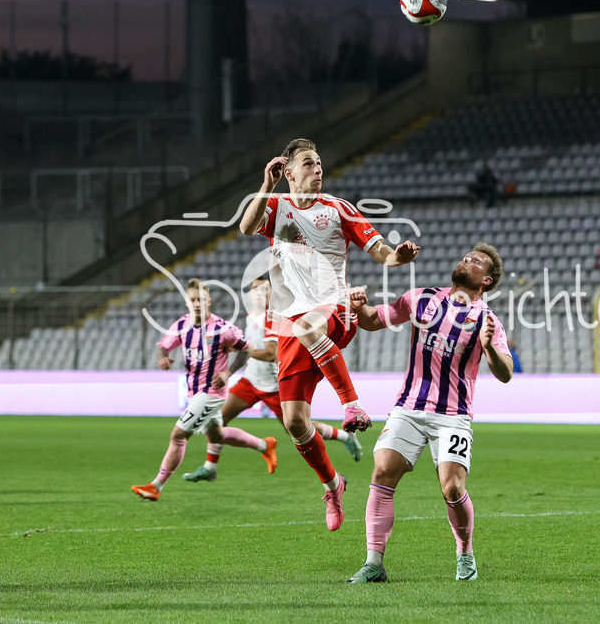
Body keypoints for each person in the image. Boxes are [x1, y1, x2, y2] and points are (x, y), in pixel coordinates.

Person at [239, 138, 419, 531]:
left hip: (335, 310)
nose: (317, 169)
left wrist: (398, 257)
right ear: (288, 172)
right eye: (308, 163)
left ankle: (351, 404)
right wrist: (265, 186)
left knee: (308, 326)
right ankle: (333, 484)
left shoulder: (338, 209)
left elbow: (383, 253)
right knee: (294, 421)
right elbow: (246, 226)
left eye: (319, 163)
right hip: (294, 323)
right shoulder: (276, 206)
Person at [345, 244, 514, 584]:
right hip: (409, 406)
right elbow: (373, 321)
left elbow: (505, 371)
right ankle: (374, 563)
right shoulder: (420, 298)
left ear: (487, 279)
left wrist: (491, 348)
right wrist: (358, 307)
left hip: (453, 414)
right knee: (382, 471)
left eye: (476, 261)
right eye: (466, 256)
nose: (467, 259)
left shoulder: (487, 320)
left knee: (452, 488)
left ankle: (465, 554)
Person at [182, 277, 363, 482]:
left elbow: (270, 354)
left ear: (271, 294)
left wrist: (244, 350)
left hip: (273, 385)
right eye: (255, 289)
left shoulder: (274, 317)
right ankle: (210, 467)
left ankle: (343, 438)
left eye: (264, 290)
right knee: (217, 421)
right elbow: (247, 352)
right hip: (250, 381)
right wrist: (231, 369)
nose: (259, 293)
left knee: (298, 427)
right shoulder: (251, 317)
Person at [131, 279, 277, 502]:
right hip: (194, 392)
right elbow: (163, 345)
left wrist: (228, 372)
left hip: (212, 394)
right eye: (192, 300)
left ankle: (156, 486)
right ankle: (264, 445)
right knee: (217, 434)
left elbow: (246, 349)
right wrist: (163, 358)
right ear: (187, 303)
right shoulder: (182, 325)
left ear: (208, 301)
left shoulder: (223, 328)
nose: (197, 304)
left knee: (178, 435)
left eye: (201, 299)